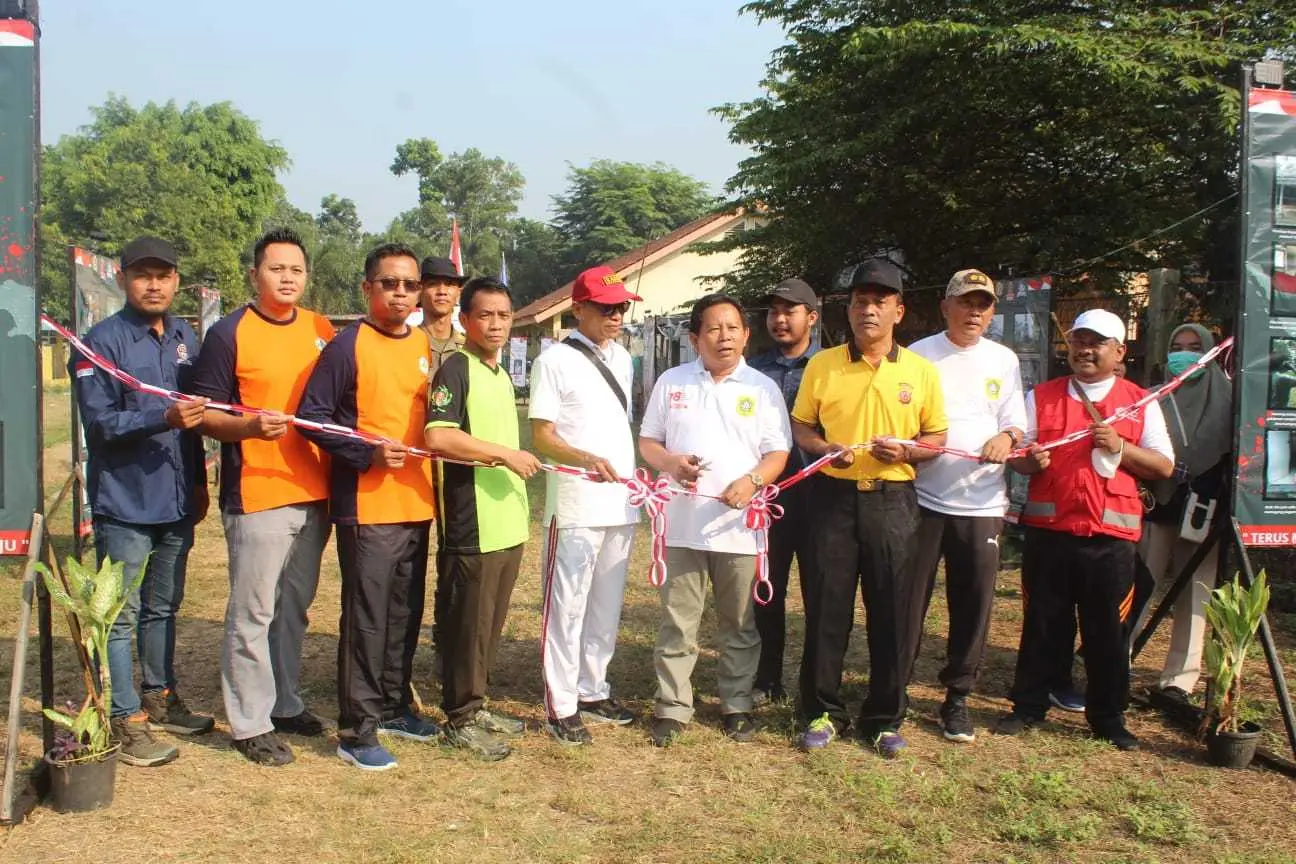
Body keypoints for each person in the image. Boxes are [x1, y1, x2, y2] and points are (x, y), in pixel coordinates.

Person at [994, 309, 1175, 751]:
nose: (1085, 350)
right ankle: (1029, 706)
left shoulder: (1139, 402)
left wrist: (1122, 447)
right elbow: (1017, 454)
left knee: (1107, 632)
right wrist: (1026, 462)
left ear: (1119, 351)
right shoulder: (1044, 396)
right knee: (1042, 624)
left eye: (1097, 343)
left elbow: (1164, 466)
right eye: (1078, 341)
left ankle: (1108, 717)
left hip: (1110, 539)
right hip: (1049, 531)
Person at [791, 259, 948, 758]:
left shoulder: (921, 372)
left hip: (894, 501)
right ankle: (821, 711)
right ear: (849, 310)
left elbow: (937, 437)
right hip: (833, 499)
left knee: (892, 613)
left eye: (880, 302)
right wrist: (819, 449)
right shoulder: (824, 364)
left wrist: (909, 451)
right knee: (826, 609)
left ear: (899, 311)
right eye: (861, 301)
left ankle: (884, 717)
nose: (869, 311)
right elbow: (802, 425)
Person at [190, 228, 335, 766]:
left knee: (293, 609)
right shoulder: (229, 334)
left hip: (314, 492)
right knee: (252, 611)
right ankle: (249, 722)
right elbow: (203, 414)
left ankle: (285, 702)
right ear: (255, 275)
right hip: (258, 492)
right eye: (277, 269)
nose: (287, 278)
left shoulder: (321, 329)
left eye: (296, 270)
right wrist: (248, 427)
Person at [69, 235, 214, 768]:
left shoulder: (183, 335)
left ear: (176, 280)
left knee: (163, 607)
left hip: (176, 500)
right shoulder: (100, 342)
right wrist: (162, 417)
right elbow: (100, 424)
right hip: (126, 501)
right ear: (123, 278)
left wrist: (198, 483)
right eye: (142, 275)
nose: (154, 284)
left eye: (164, 275)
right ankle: (125, 717)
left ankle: (160, 695)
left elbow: (196, 424)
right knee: (120, 616)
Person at [296, 243, 438, 771]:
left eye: (408, 284)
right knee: (368, 620)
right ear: (368, 289)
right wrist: (367, 451)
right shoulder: (346, 345)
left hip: (416, 501)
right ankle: (357, 730)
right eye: (388, 283)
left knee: (404, 613)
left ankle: (397, 705)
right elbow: (312, 417)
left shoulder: (423, 342)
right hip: (368, 504)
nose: (400, 293)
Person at [639, 293, 791, 748]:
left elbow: (778, 453)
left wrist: (751, 481)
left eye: (732, 328)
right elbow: (649, 441)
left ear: (746, 335)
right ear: (694, 337)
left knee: (739, 622)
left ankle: (737, 704)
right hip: (681, 523)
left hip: (739, 527)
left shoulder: (762, 388)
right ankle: (672, 706)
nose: (723, 337)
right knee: (678, 620)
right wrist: (670, 463)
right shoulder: (672, 381)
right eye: (712, 329)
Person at [908, 269, 1027, 743]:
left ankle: (956, 698)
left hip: (981, 504)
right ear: (946, 306)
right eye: (965, 302)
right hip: (921, 498)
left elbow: (1018, 422)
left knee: (973, 604)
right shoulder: (919, 356)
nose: (974, 311)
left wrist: (1006, 437)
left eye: (984, 304)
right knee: (908, 600)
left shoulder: (1004, 359)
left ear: (993, 311)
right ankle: (894, 689)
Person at [425, 276, 540, 761]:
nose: (495, 324)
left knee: (490, 622)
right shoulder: (456, 368)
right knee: (467, 623)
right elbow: (439, 437)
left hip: (506, 521)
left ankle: (478, 703)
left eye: (504, 315)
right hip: (472, 521)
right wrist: (504, 455)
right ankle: (460, 716)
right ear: (465, 320)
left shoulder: (499, 373)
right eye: (485, 315)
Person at [528, 266, 641, 746]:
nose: (615, 316)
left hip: (621, 503)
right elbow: (542, 436)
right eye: (605, 307)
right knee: (566, 605)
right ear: (579, 309)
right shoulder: (553, 361)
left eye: (621, 307)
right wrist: (588, 460)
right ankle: (562, 703)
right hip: (576, 503)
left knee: (607, 604)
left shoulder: (624, 359)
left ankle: (593, 689)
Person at [1136, 324, 1231, 703]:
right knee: (1138, 584)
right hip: (1157, 503)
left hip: (1207, 509)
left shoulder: (1230, 397)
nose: (1185, 354)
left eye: (1195, 347)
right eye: (1177, 347)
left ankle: (1180, 680)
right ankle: (1115, 661)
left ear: (1210, 351)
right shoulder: (1153, 396)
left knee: (1196, 594)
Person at [747, 277, 820, 705]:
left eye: (789, 311)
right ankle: (766, 677)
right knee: (766, 591)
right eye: (773, 312)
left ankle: (815, 683)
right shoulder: (754, 371)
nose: (779, 319)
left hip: (820, 502)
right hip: (767, 502)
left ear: (811, 317)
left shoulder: (829, 367)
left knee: (820, 595)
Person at [417, 255, 467, 654]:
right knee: (414, 552)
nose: (442, 290)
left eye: (449, 284)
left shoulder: (470, 346)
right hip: (414, 459)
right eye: (433, 283)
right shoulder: (408, 341)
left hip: (457, 460)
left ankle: (446, 639)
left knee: (454, 554)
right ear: (420, 289)